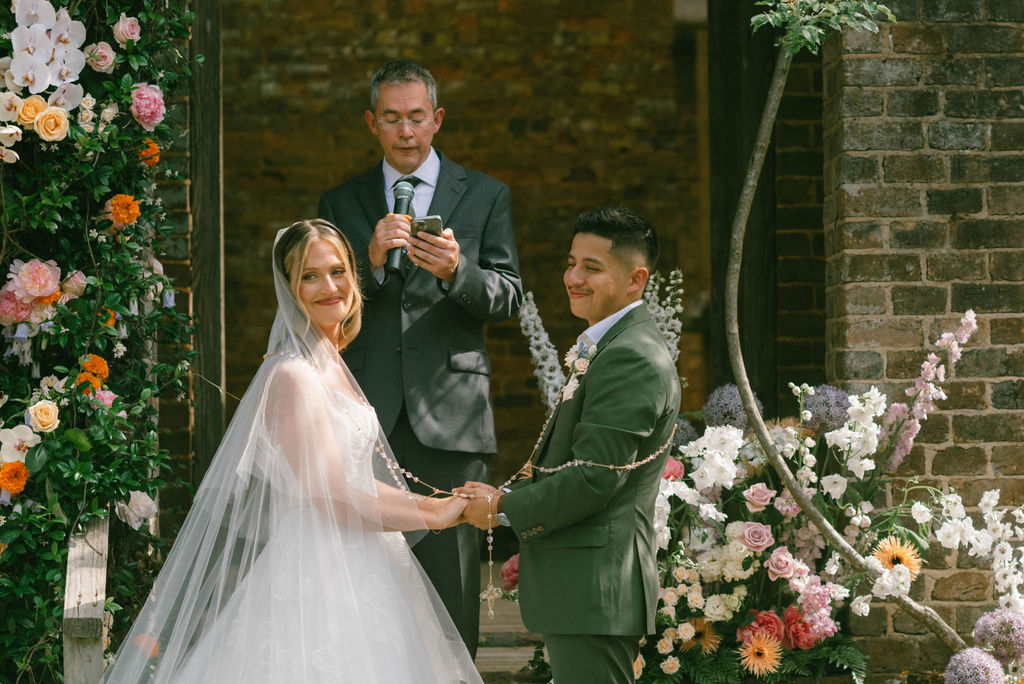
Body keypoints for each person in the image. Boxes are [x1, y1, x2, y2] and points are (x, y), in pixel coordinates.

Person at [101, 219, 483, 684]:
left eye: (338, 271)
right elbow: (333, 494)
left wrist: (441, 504)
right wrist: (436, 514)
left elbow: (353, 480)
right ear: (289, 288)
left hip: (369, 562)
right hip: (317, 574)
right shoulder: (292, 376)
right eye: (310, 275)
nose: (330, 286)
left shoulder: (332, 364)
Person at [318, 58, 522, 656]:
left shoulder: (485, 195)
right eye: (391, 118)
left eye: (415, 118)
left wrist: (459, 271)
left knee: (452, 577)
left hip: (451, 414)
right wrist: (371, 265)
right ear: (371, 123)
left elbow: (507, 296)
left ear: (436, 120)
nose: (405, 132)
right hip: (366, 409)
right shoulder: (341, 199)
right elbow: (320, 298)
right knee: (365, 570)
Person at [459, 207, 682, 684]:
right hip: (586, 588)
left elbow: (594, 477)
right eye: (572, 262)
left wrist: (501, 508)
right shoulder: (609, 346)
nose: (573, 277)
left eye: (592, 268)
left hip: (597, 585)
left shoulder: (631, 357)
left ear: (635, 279)